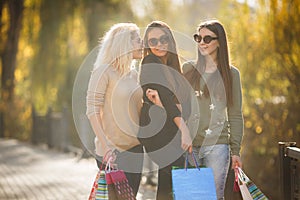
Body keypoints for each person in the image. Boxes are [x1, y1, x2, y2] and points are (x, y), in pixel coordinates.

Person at [183, 19, 244, 200]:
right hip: (190, 146)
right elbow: (179, 107)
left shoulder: (232, 74)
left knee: (213, 196)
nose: (201, 42)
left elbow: (235, 115)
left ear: (219, 42)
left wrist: (236, 150)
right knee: (190, 196)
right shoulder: (188, 69)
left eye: (207, 39)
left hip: (218, 146)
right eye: (198, 38)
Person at [86, 23, 144, 197]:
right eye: (138, 40)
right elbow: (92, 110)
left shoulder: (134, 75)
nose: (142, 44)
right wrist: (106, 148)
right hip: (113, 152)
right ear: (125, 44)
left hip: (135, 150)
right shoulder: (104, 71)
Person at [138, 21, 192, 200]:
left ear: (170, 40)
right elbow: (168, 100)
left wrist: (167, 105)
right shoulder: (150, 61)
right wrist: (184, 130)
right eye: (153, 42)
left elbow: (184, 105)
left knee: (169, 182)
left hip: (170, 130)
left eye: (163, 39)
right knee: (172, 177)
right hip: (157, 133)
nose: (159, 44)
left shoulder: (173, 68)